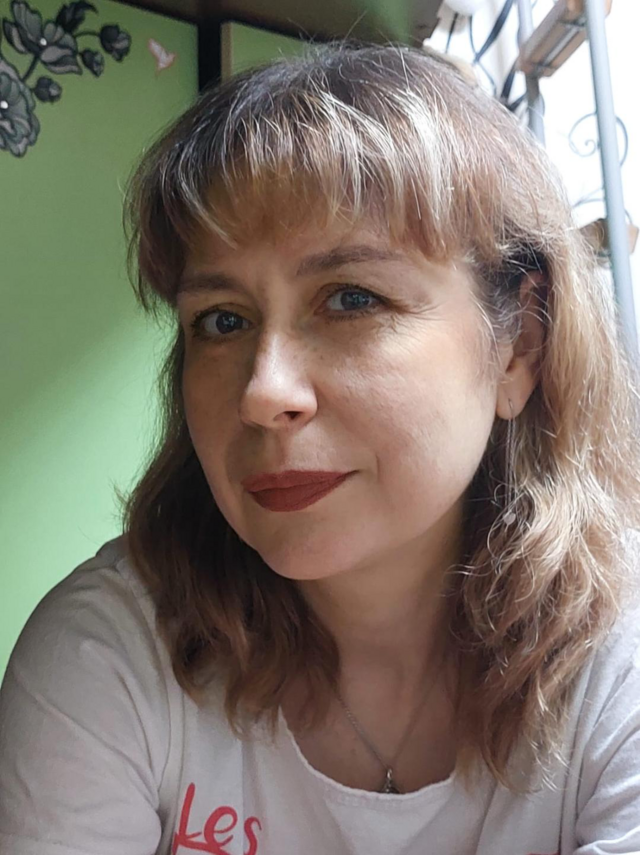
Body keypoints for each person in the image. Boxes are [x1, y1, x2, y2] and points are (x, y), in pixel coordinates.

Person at [1, 40, 640, 855]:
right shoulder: (111, 650)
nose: (262, 392)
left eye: (350, 299)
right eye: (222, 320)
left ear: (519, 344)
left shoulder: (619, 654)